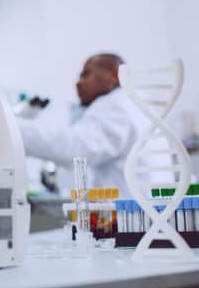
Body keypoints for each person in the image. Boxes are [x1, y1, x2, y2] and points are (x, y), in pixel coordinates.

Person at [18, 53, 147, 195]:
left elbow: (75, 148)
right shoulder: (134, 103)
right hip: (139, 208)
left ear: (114, 75)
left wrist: (14, 129)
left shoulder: (116, 105)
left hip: (130, 211)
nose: (78, 82)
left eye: (86, 74)